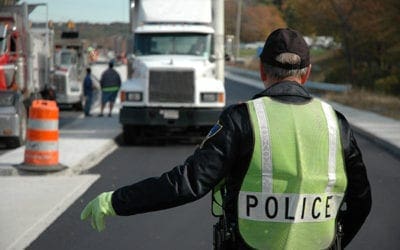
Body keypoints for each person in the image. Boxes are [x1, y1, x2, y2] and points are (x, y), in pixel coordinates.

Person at [81, 28, 371, 249]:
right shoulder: (336, 123)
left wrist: (116, 201)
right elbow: (361, 200)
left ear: (261, 71)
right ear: (306, 74)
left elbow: (187, 183)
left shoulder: (242, 119)